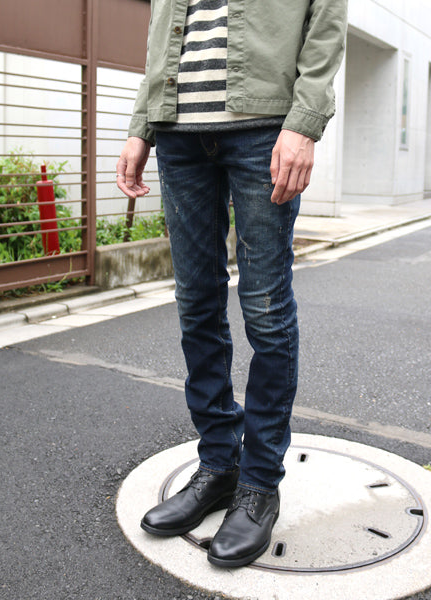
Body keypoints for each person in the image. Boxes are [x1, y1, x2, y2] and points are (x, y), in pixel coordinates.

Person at [117, 0, 347, 568]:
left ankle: (260, 484)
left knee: (265, 310)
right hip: (178, 134)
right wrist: (142, 125)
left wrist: (303, 122)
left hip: (263, 130)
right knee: (195, 305)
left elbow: (326, 21)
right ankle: (219, 464)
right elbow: (161, 30)